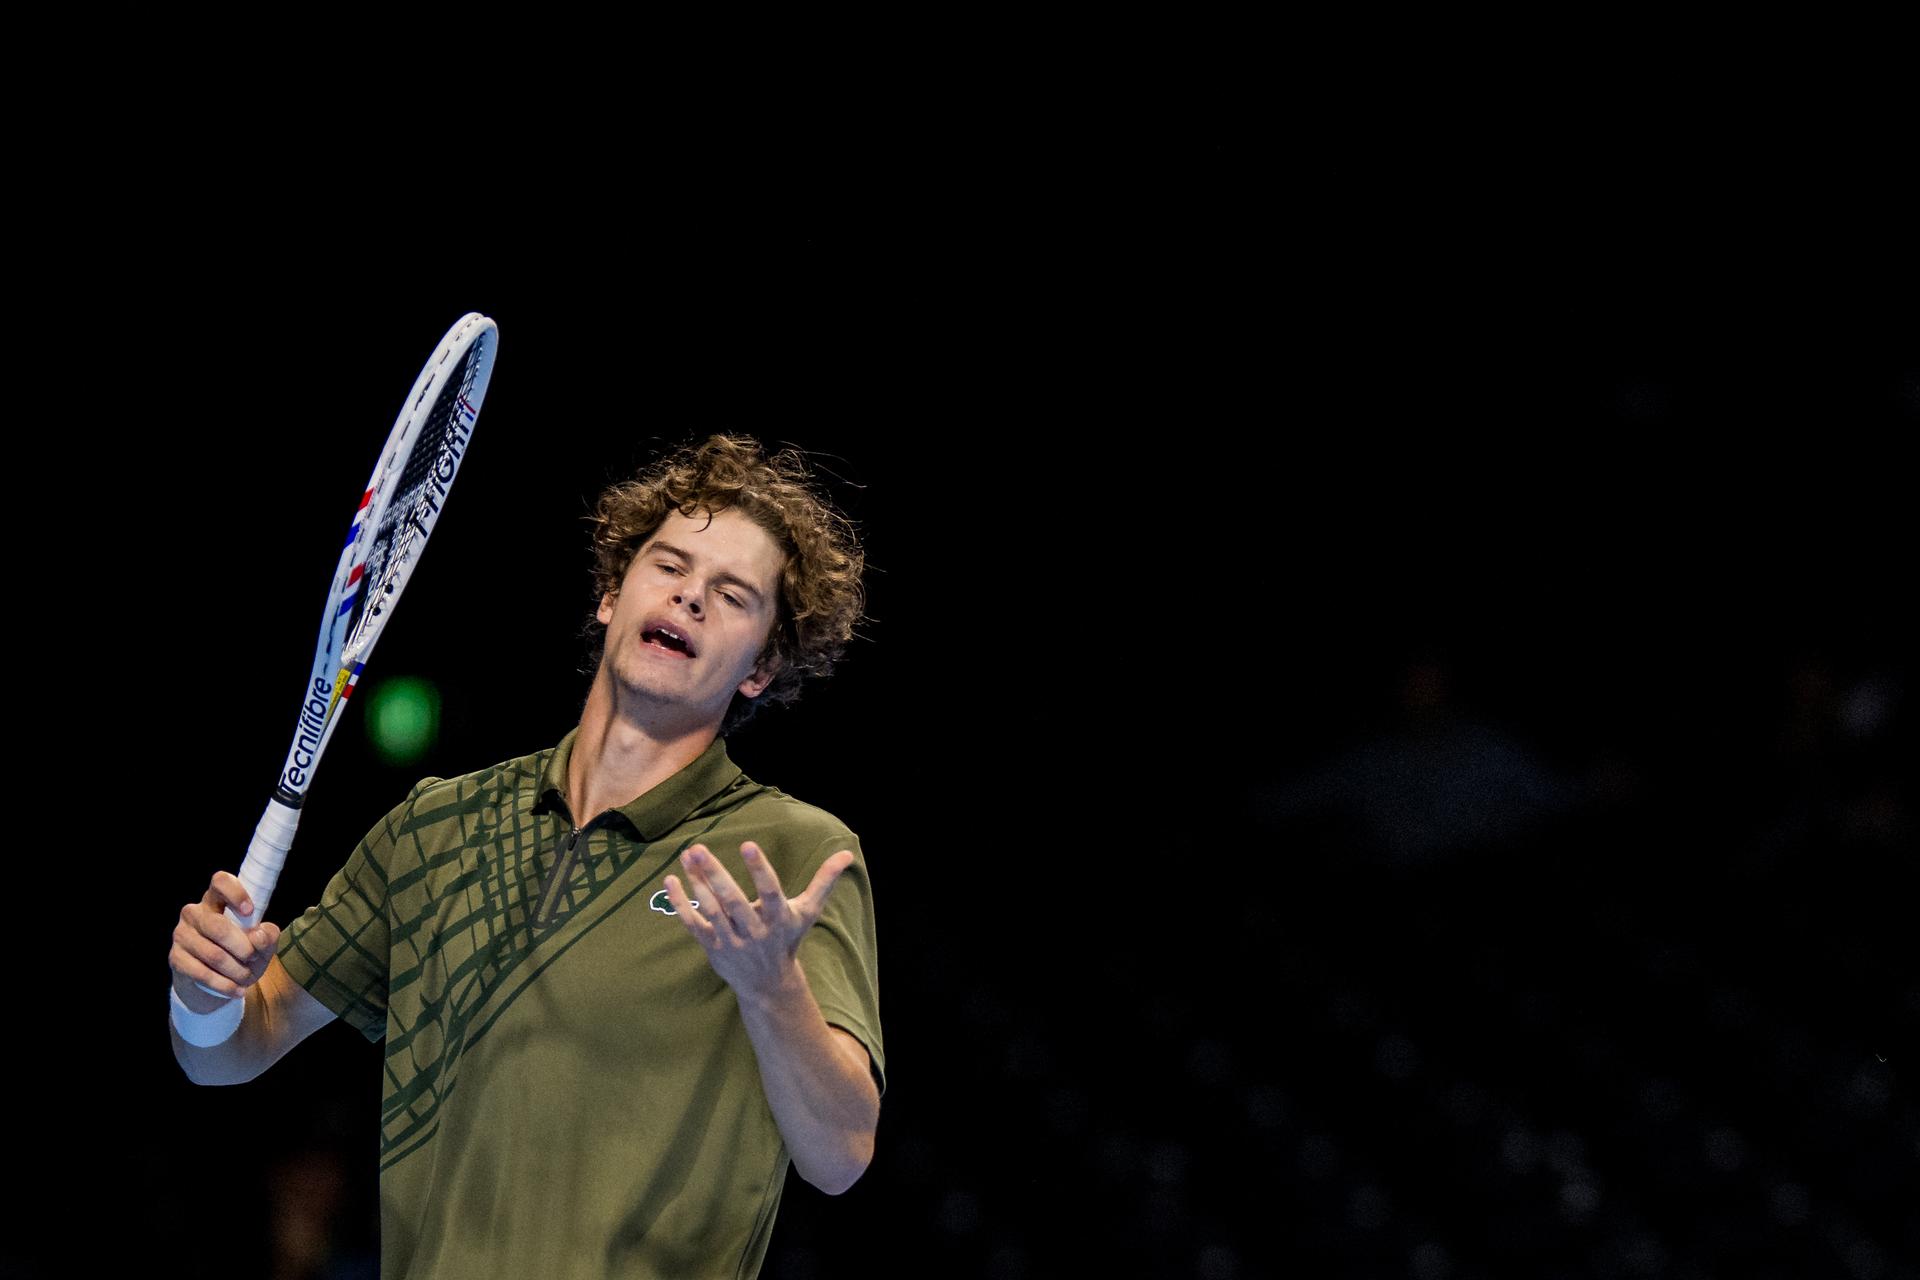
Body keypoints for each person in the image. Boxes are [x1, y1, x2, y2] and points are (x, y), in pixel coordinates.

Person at [168, 434, 884, 1279]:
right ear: (612, 596)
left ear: (761, 667)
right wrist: (201, 992)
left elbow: (840, 1153)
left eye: (731, 595)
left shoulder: (791, 854)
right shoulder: (436, 825)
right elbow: (228, 1053)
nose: (691, 597)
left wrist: (773, 990)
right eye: (670, 567)